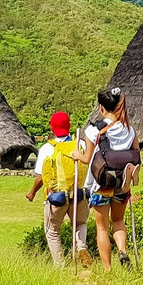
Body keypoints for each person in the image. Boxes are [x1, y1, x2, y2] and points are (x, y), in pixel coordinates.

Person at [71, 87, 140, 271]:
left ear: (101, 108)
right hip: (122, 185)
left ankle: (108, 269)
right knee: (118, 221)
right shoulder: (129, 129)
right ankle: (122, 250)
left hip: (101, 185)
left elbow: (87, 159)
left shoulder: (94, 130)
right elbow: (136, 153)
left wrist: (77, 155)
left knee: (102, 228)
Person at [26, 111, 93, 267]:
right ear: (69, 125)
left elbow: (41, 177)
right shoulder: (80, 144)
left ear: (51, 128)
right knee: (80, 223)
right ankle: (81, 247)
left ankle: (60, 265)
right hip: (79, 195)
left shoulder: (47, 148)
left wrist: (32, 192)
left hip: (58, 198)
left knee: (52, 231)